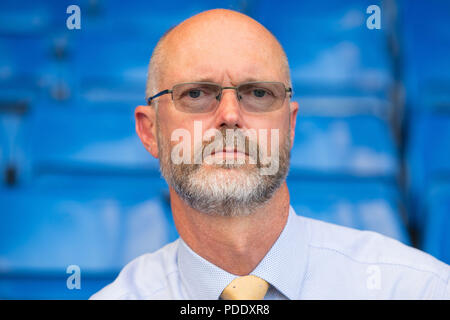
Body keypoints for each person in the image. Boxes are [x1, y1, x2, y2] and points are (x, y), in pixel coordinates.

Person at [91, 9, 449, 300]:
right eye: (197, 94)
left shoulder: (417, 289)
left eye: (259, 94)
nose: (230, 116)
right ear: (149, 130)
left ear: (290, 127)